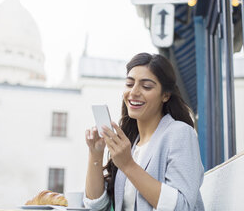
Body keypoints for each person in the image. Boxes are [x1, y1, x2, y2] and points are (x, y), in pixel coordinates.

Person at [84, 53, 205, 211]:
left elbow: (181, 207)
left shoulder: (180, 133)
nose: (134, 92)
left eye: (146, 86)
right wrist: (95, 154)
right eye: (129, 84)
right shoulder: (131, 145)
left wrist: (128, 165)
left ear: (165, 95)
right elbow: (97, 206)